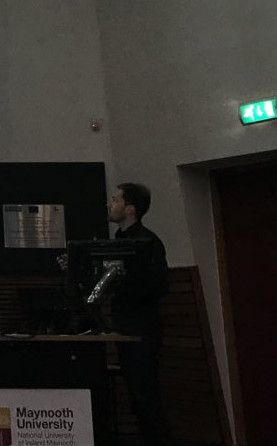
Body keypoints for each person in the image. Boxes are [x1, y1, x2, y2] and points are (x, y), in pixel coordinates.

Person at [108, 182, 172, 446]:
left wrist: (124, 284)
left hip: (142, 328)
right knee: (136, 395)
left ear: (130, 209)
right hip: (124, 325)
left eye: (115, 200)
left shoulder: (147, 242)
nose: (110, 204)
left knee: (145, 393)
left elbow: (159, 285)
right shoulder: (118, 241)